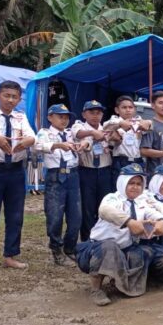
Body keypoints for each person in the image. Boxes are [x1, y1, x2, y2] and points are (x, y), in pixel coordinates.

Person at [75, 163, 163, 306]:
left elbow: (156, 215)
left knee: (144, 251)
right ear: (122, 182)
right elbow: (105, 210)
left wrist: (162, 222)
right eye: (131, 182)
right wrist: (129, 222)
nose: (135, 187)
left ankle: (119, 283)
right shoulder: (112, 198)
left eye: (139, 183)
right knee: (109, 247)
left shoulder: (141, 202)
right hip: (97, 248)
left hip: (125, 248)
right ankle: (96, 289)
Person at [0, 81, 36, 276]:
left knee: (15, 216)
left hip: (16, 172)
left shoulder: (21, 117)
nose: (10, 100)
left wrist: (28, 140)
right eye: (6, 95)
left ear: (19, 99)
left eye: (14, 97)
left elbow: (32, 136)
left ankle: (10, 256)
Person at [35, 104, 86, 266]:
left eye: (66, 117)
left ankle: (70, 248)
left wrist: (85, 145)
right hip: (55, 176)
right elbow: (37, 146)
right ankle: (56, 248)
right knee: (55, 216)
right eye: (60, 116)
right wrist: (57, 145)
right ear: (50, 117)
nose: (64, 120)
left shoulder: (71, 132)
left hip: (73, 175)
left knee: (76, 216)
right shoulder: (45, 132)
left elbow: (86, 140)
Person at [72, 100, 113, 242]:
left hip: (105, 171)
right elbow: (77, 134)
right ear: (84, 114)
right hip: (86, 171)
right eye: (91, 112)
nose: (95, 116)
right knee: (87, 207)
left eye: (98, 113)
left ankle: (103, 238)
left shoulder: (107, 128)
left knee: (104, 206)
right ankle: (87, 241)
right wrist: (93, 133)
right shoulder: (79, 126)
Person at [104, 95, 152, 184]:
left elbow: (151, 126)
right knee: (119, 188)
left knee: (138, 188)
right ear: (117, 110)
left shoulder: (138, 121)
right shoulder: (115, 120)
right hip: (121, 161)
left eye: (130, 107)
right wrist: (121, 124)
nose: (128, 110)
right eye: (124, 107)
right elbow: (106, 126)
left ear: (134, 109)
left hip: (137, 160)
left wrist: (148, 123)